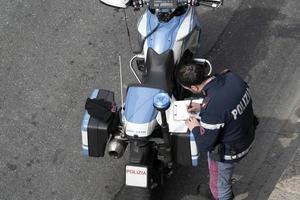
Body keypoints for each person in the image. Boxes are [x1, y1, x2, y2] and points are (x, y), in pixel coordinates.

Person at [176, 60, 257, 200]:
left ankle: (220, 193)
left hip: (230, 152)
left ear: (194, 88)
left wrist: (194, 126)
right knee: (221, 179)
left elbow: (205, 143)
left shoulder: (212, 108)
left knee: (219, 187)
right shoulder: (231, 77)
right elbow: (227, 106)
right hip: (246, 134)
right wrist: (202, 107)